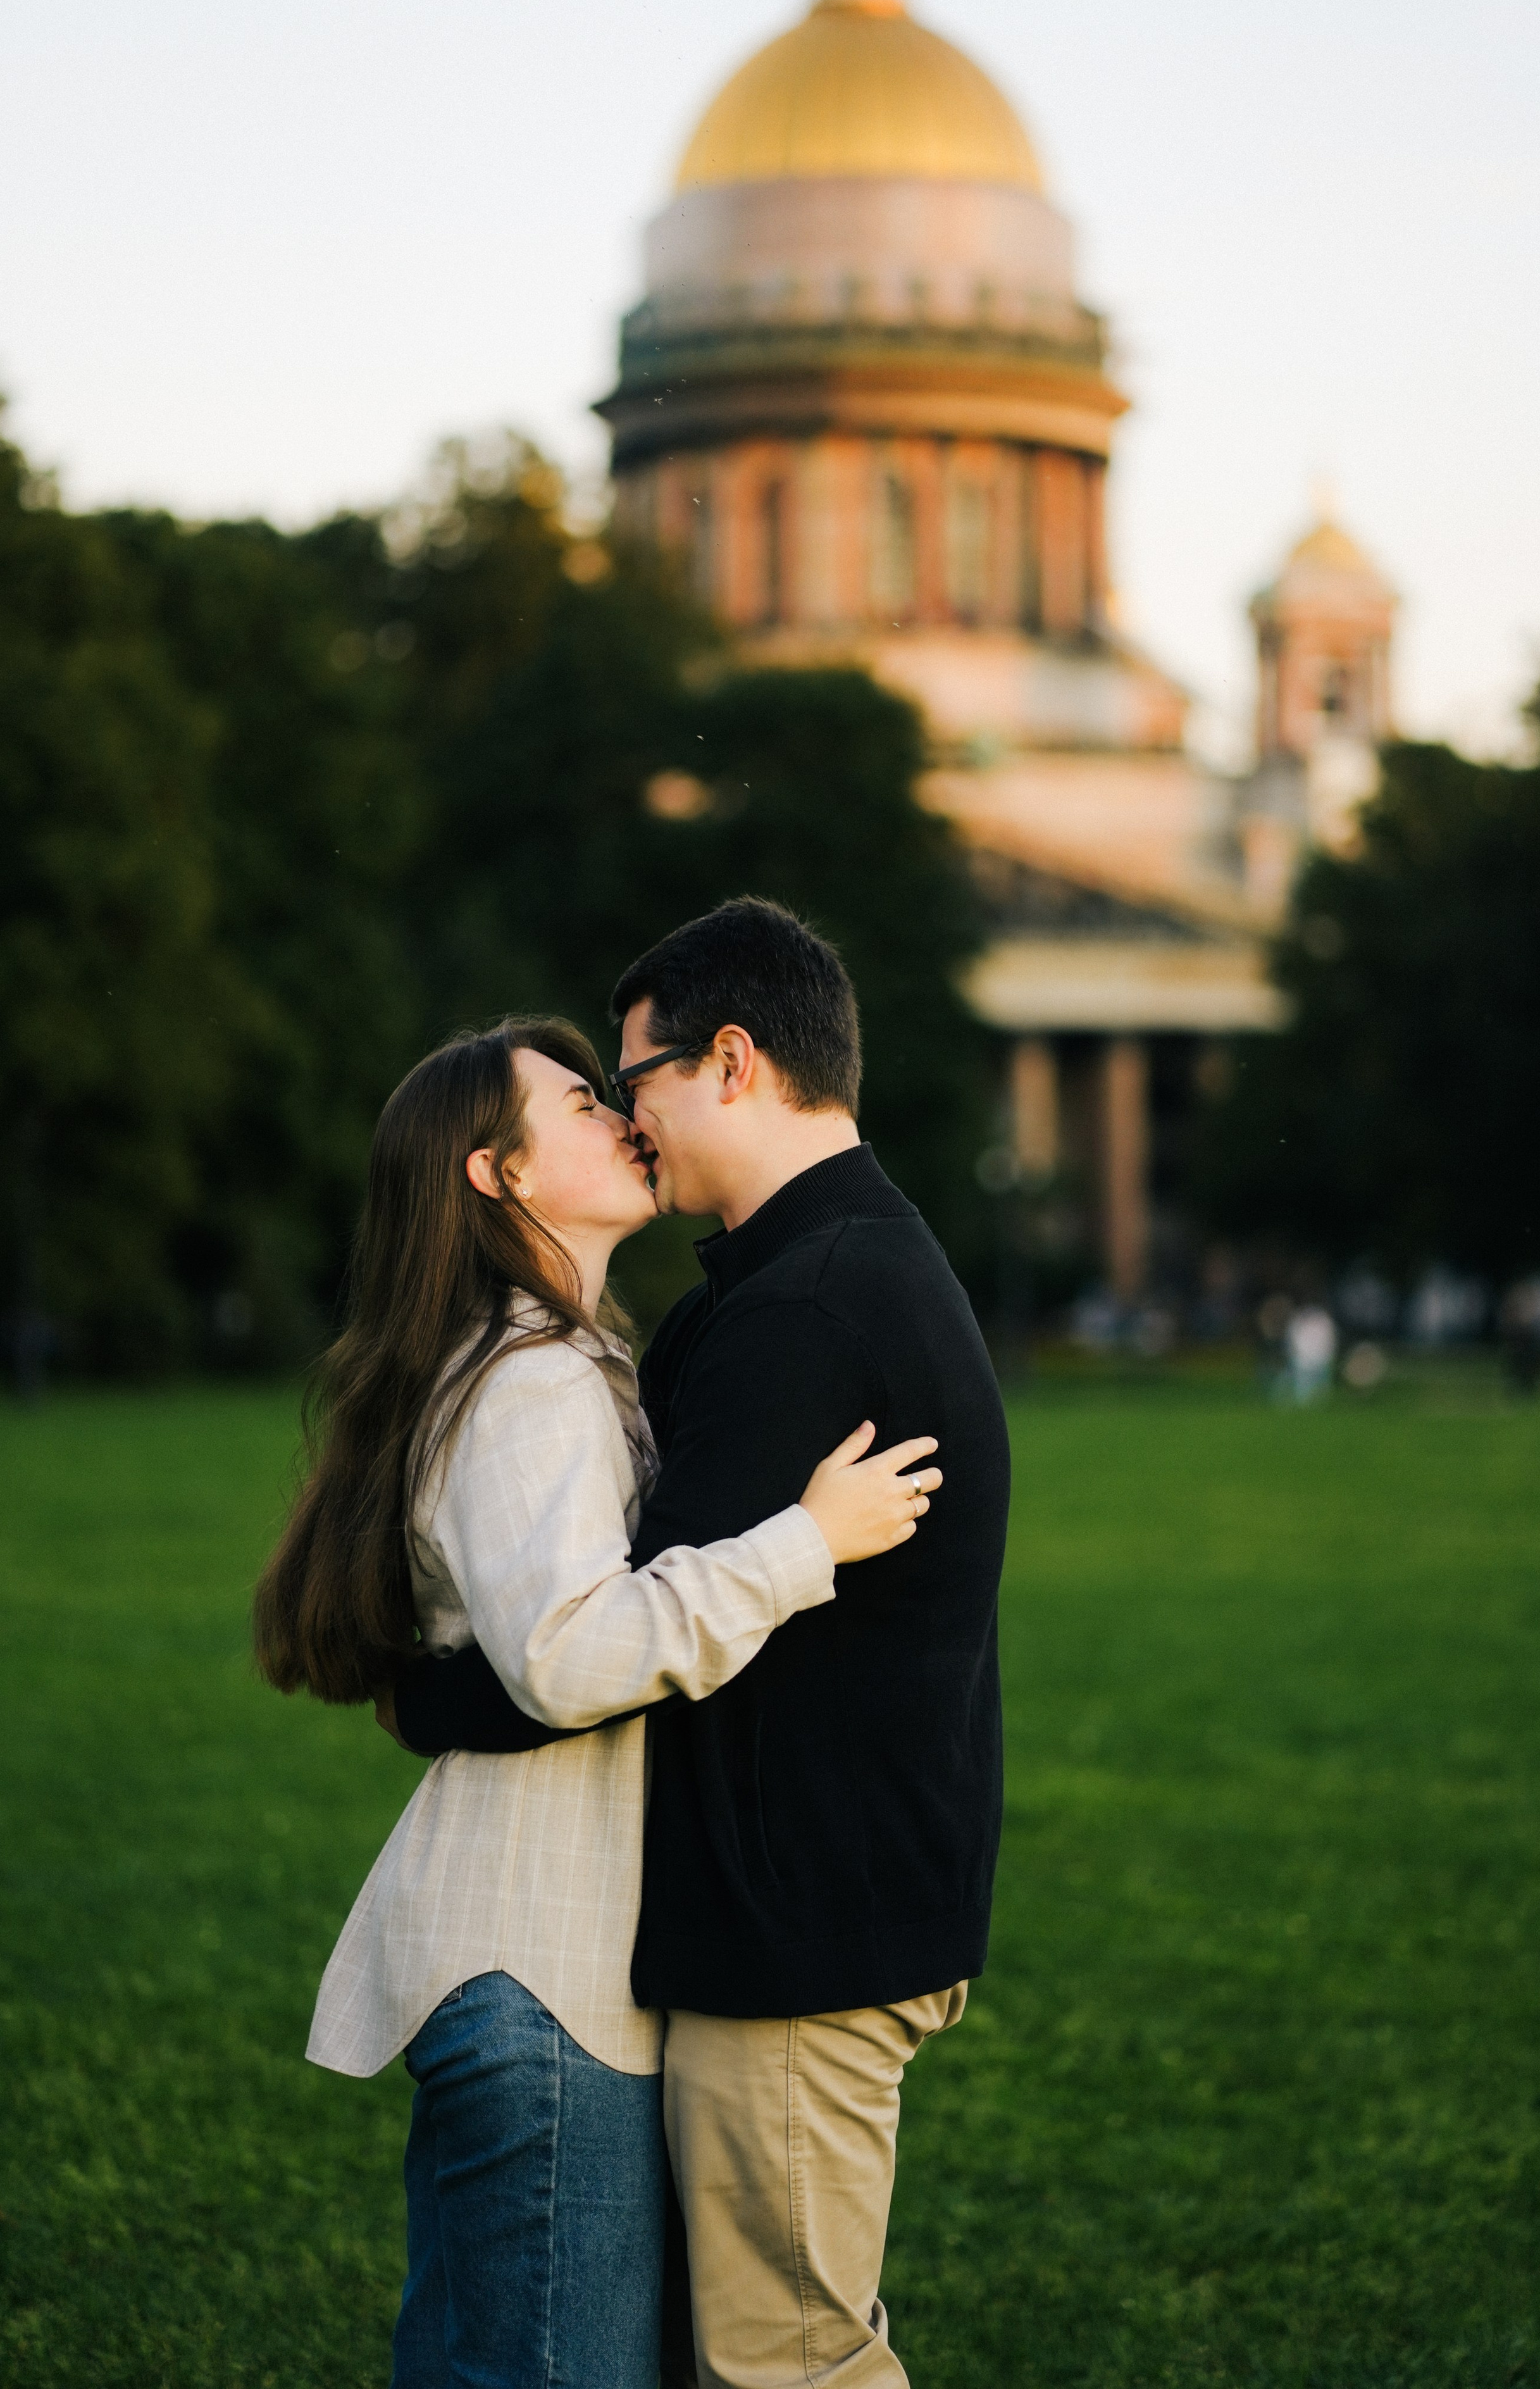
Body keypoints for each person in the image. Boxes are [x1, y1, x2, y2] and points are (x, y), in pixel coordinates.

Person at [251, 1011, 941, 2389]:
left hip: (541, 1972)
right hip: (542, 1982)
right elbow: (564, 1659)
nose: (622, 1116)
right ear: (495, 1173)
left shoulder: (555, 1360)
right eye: (579, 1104)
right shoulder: (528, 1379)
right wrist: (806, 1543)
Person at [391, 900, 1012, 2389]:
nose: (629, 1116)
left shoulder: (806, 1308)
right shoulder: (803, 1275)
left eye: (637, 1081)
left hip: (800, 1937)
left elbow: (608, 1640)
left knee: (786, 2364)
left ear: (730, 1062)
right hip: (805, 1913)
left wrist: (431, 1695)